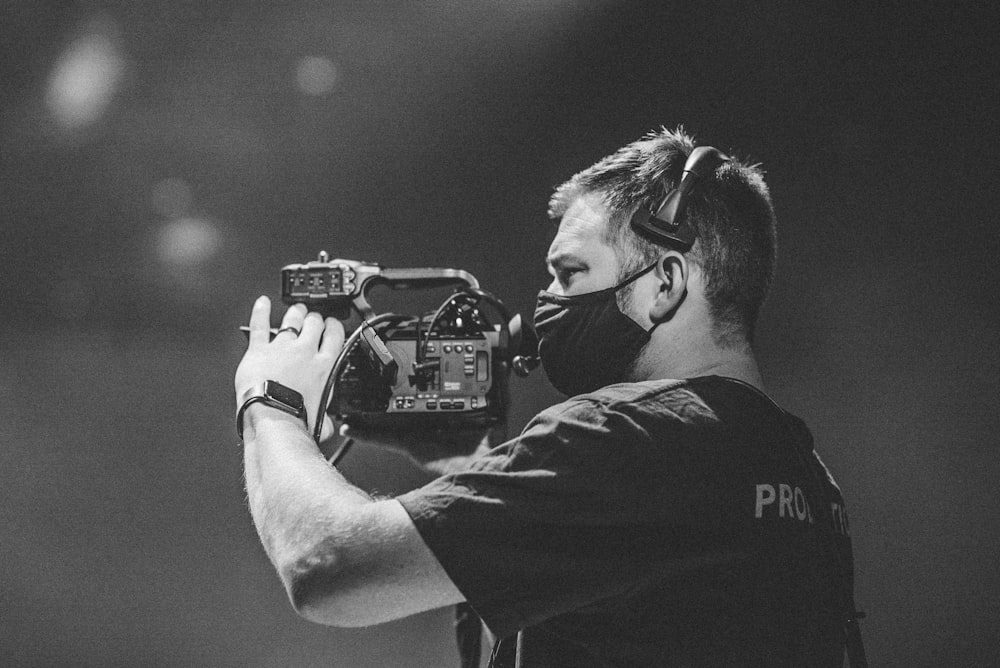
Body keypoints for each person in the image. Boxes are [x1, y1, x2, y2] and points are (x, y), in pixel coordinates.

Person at [234, 127, 864, 667]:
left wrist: (272, 400)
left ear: (666, 282)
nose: (545, 303)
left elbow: (327, 568)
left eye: (570, 274)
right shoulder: (801, 472)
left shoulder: (625, 439)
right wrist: (464, 470)